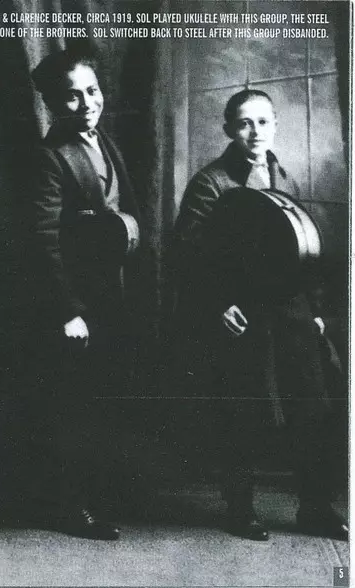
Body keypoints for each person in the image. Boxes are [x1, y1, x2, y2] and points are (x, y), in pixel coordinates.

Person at [173, 89, 348, 541]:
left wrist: (315, 310)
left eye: (264, 122)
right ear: (229, 129)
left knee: (312, 406)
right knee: (245, 410)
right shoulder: (210, 183)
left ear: (274, 126)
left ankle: (315, 508)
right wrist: (218, 305)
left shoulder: (281, 176)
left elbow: (304, 250)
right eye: (245, 123)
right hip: (244, 312)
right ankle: (240, 509)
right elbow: (188, 256)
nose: (255, 132)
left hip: (291, 310)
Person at [24, 48, 140, 540]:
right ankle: (72, 508)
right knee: (73, 405)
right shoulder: (49, 156)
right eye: (72, 96)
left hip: (109, 295)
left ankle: (98, 496)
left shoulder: (103, 141)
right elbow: (42, 239)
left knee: (101, 399)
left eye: (92, 91)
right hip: (74, 304)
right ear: (53, 104)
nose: (87, 102)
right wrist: (68, 311)